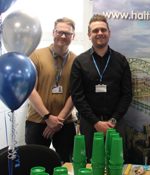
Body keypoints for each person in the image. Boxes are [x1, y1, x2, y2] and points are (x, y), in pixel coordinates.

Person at [70, 14, 132, 161]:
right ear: (89, 35)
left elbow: (127, 94)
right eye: (95, 30)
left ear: (109, 33)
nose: (100, 33)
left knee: (116, 162)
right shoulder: (80, 62)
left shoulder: (121, 60)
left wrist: (113, 121)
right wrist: (96, 123)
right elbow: (77, 96)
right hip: (89, 124)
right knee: (91, 163)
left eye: (103, 30)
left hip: (115, 124)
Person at [26, 17, 77, 163]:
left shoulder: (76, 61)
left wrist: (58, 121)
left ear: (73, 36)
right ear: (53, 32)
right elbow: (31, 90)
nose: (62, 36)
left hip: (65, 123)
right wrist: (48, 117)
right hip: (37, 121)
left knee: (66, 164)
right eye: (59, 32)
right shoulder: (36, 55)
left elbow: (75, 94)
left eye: (67, 33)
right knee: (36, 164)